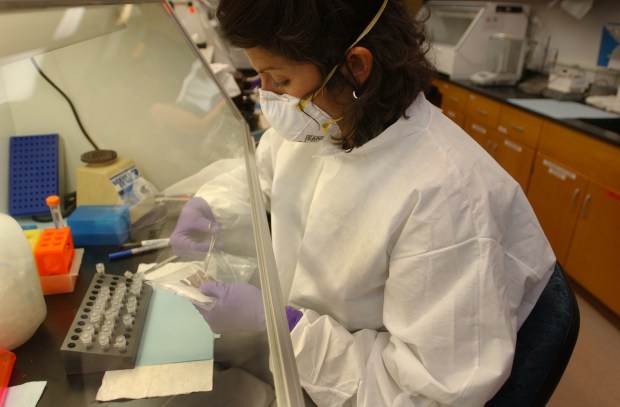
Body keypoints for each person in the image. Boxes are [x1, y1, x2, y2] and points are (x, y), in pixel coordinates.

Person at [169, 0, 556, 405]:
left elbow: (426, 394)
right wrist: (212, 205)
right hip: (290, 370)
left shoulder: (448, 199)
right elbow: (260, 178)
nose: (267, 97)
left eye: (279, 81)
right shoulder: (322, 121)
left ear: (355, 66)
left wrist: (283, 327)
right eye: (259, 77)